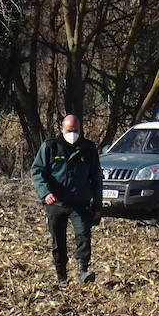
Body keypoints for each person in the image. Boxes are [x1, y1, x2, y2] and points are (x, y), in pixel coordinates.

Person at [30, 114, 103, 285]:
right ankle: (61, 275)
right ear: (62, 129)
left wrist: (97, 206)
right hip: (56, 203)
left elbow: (97, 178)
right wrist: (45, 193)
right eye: (69, 130)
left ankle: (82, 271)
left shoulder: (88, 148)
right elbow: (37, 171)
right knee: (58, 239)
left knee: (83, 235)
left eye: (76, 130)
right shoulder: (50, 147)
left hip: (80, 203)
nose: (73, 134)